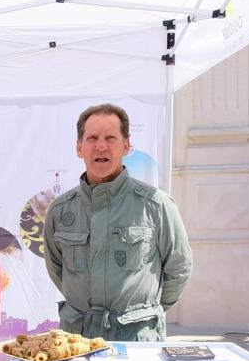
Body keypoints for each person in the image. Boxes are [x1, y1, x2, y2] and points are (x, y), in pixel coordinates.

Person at [43, 103, 192, 341]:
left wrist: (145, 313)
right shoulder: (60, 210)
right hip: (78, 341)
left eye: (110, 137)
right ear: (79, 147)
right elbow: (57, 268)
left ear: (126, 146)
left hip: (136, 341)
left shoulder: (155, 205)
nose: (101, 146)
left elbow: (178, 268)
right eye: (92, 138)